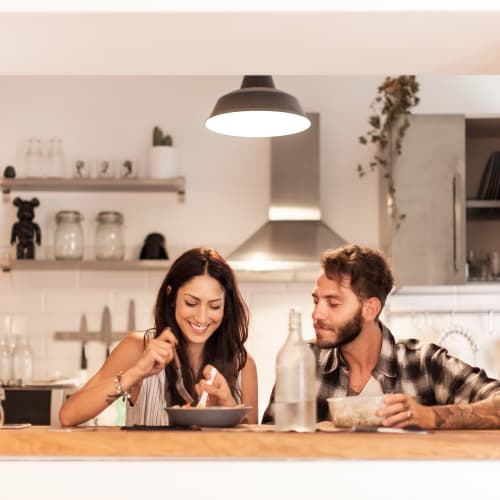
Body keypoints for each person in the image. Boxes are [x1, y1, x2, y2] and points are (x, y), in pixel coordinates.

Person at [263, 244, 500, 429]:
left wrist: (430, 416)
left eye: (333, 303)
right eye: (316, 301)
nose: (316, 314)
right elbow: (270, 441)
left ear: (370, 309)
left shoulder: (424, 364)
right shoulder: (303, 361)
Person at [60, 247, 258, 426]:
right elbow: (68, 416)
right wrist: (135, 373)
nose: (201, 317)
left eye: (214, 306)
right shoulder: (138, 347)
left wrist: (228, 406)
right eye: (191, 303)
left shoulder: (243, 364)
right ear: (171, 297)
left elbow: (255, 450)